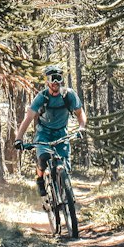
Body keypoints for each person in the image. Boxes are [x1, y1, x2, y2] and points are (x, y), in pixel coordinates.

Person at [15, 65, 87, 204]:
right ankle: (40, 178)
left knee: (65, 166)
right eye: (52, 79)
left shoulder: (68, 95)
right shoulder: (42, 97)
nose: (55, 82)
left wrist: (82, 127)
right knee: (43, 159)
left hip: (62, 134)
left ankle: (64, 191)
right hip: (44, 134)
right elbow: (28, 117)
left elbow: (80, 113)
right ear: (47, 81)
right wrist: (19, 139)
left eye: (58, 78)